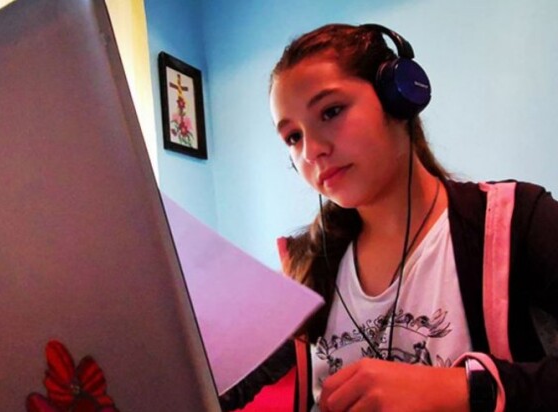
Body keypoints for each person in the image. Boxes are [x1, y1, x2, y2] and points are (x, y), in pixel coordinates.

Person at [220, 23, 558, 412]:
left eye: (331, 111)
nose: (311, 151)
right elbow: (224, 382)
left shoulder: (515, 221)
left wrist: (465, 389)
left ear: (399, 98)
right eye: (293, 137)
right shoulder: (311, 262)